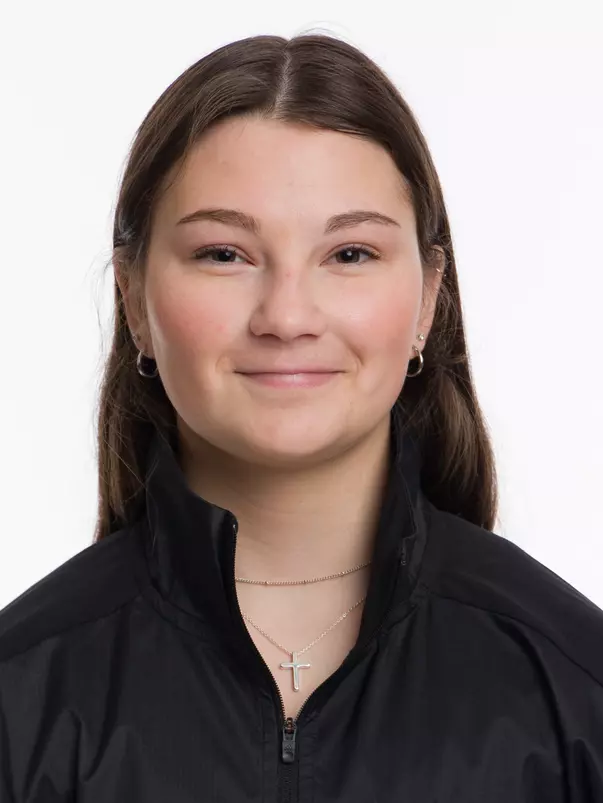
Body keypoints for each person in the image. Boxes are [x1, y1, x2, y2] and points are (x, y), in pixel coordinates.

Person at [1, 32, 602, 803]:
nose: (287, 315)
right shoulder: (23, 695)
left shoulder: (573, 686)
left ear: (427, 298)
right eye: (224, 253)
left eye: (349, 254)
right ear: (134, 301)